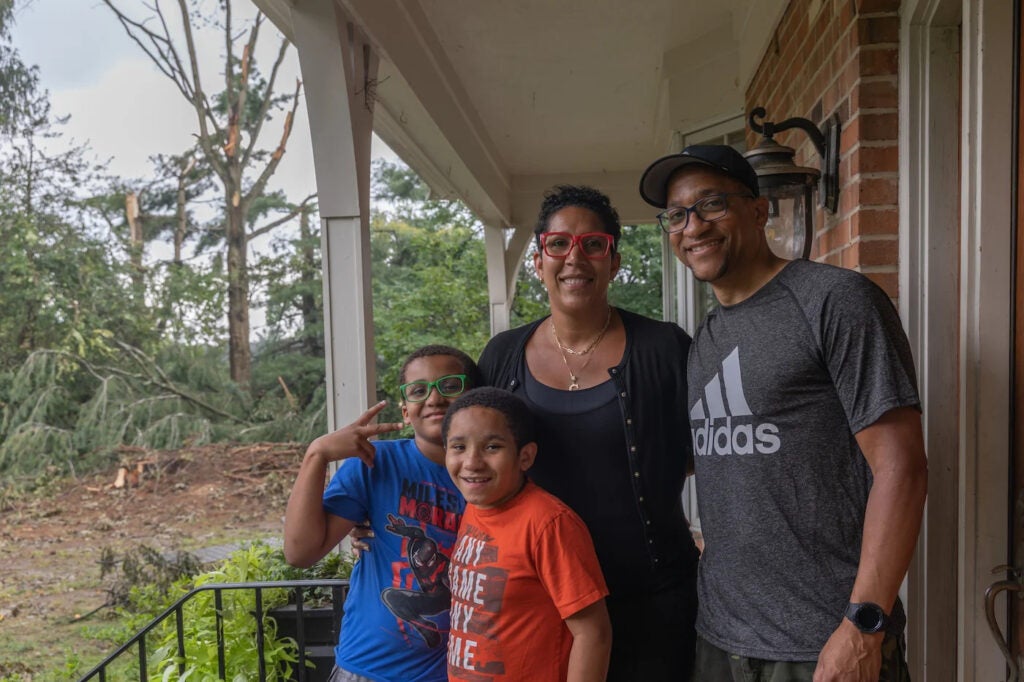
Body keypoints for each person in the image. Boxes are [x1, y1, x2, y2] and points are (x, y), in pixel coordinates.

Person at [638, 144, 928, 681]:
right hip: (721, 639)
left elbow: (902, 469)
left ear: (758, 209)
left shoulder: (835, 301)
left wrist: (864, 624)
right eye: (676, 215)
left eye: (711, 205)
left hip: (823, 640)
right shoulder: (705, 338)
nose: (692, 226)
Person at [478, 185, 699, 680]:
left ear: (614, 259)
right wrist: (380, 507)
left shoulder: (665, 349)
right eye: (558, 244)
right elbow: (467, 455)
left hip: (653, 600)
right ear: (538, 260)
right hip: (538, 606)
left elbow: (707, 451)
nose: (574, 258)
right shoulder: (502, 356)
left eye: (592, 244)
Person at [283, 344, 483, 682]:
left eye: (450, 385)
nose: (434, 398)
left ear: (474, 398)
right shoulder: (375, 464)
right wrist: (316, 455)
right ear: (406, 411)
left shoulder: (490, 477)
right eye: (419, 391)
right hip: (367, 669)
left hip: (456, 672)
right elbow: (300, 552)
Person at [442, 387, 612, 682]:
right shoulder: (474, 505)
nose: (471, 462)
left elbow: (593, 633)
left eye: (492, 447)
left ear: (525, 456)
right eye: (458, 447)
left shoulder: (549, 524)